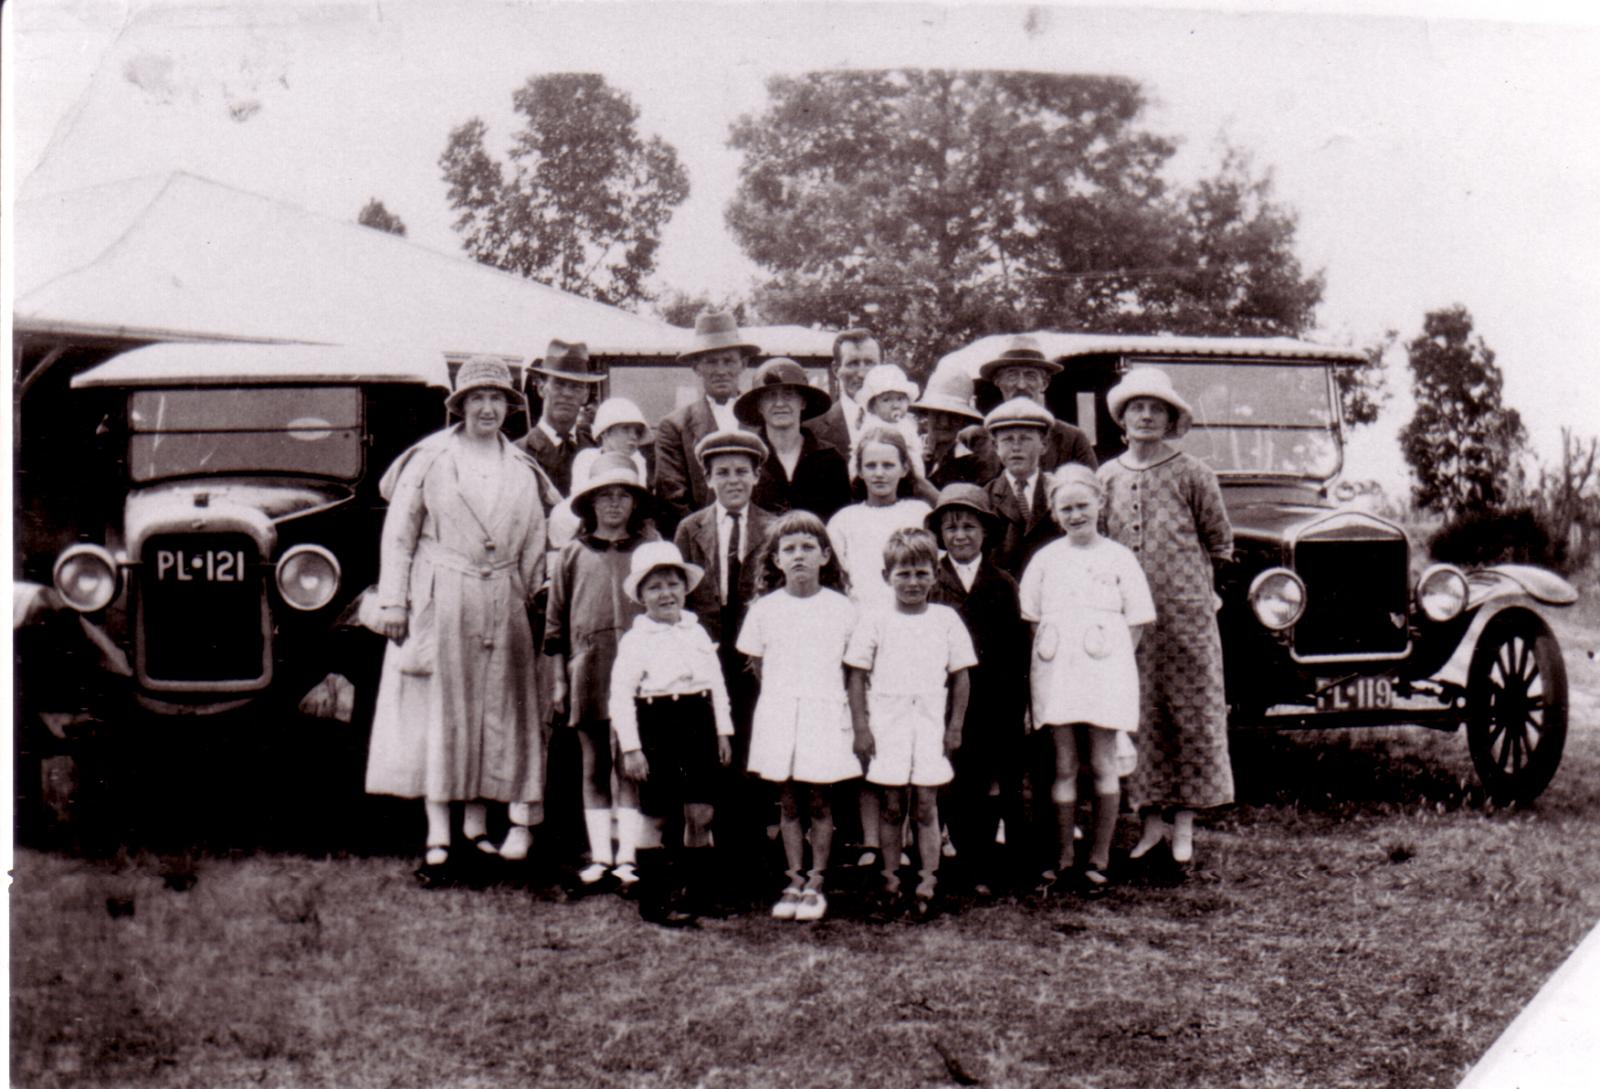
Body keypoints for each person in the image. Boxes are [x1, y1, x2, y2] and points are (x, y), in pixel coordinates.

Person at [363, 357, 550, 881]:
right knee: (443, 711)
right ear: (461, 405)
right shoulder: (430, 459)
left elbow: (535, 540)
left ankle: (477, 829)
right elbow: (399, 535)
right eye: (477, 399)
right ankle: (438, 835)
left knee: (496, 712)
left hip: (503, 598)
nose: (487, 408)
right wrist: (395, 601)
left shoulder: (520, 467)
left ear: (509, 408)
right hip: (442, 594)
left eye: (497, 399)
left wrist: (537, 597)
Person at [1098, 368, 1234, 866]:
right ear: (1123, 418)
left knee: (1187, 713)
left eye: (1157, 408)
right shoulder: (1107, 476)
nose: (1147, 416)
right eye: (1138, 408)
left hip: (1185, 617)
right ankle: (1149, 822)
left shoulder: (1194, 473)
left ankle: (1183, 826)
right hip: (1128, 620)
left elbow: (1219, 542)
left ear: (1171, 418)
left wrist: (1195, 591)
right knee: (1138, 713)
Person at [1019, 464, 1155, 887]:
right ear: (1055, 515)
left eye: (1083, 506)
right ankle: (1063, 857)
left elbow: (1137, 620)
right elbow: (1033, 619)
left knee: (1102, 760)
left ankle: (1099, 857)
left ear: (1100, 503)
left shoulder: (1118, 558)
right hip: (1057, 670)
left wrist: (1111, 656)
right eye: (1067, 509)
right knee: (1063, 763)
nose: (1076, 515)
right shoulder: (1045, 559)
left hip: (1105, 671)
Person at [735, 511, 861, 922]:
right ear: (775, 560)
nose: (799, 556)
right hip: (780, 712)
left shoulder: (842, 608)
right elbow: (757, 663)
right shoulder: (764, 609)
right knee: (788, 803)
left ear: (826, 556)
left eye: (808, 548)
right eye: (789, 549)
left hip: (824, 712)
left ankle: (818, 880)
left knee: (821, 802)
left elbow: (852, 667)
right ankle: (793, 876)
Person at [845, 527, 976, 913]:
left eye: (921, 573)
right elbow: (856, 674)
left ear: (935, 575)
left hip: (930, 721)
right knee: (891, 804)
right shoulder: (875, 619)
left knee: (925, 806)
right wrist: (862, 728)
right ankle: (889, 880)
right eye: (903, 574)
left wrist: (955, 727)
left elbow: (961, 676)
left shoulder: (946, 619)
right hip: (888, 721)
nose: (913, 582)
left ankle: (928, 882)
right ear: (887, 577)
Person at [544, 453, 658, 887]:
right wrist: (559, 679)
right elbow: (555, 625)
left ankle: (628, 855)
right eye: (604, 496)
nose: (613, 504)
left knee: (630, 761)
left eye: (622, 496)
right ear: (590, 504)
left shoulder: (647, 551)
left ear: (634, 503)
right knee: (593, 763)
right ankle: (600, 856)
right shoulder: (572, 554)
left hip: (637, 674)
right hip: (588, 670)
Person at [610, 541, 735, 926]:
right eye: (655, 587)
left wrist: (723, 732)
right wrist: (632, 749)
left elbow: (716, 686)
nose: (666, 594)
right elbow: (620, 698)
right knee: (657, 814)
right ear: (642, 595)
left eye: (673, 584)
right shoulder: (635, 641)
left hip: (698, 722)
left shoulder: (697, 633)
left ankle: (700, 893)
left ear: (685, 588)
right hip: (657, 724)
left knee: (701, 811)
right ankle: (655, 900)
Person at [673, 429, 778, 880]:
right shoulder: (690, 528)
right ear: (708, 479)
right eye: (722, 473)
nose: (732, 480)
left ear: (756, 476)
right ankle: (706, 856)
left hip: (755, 657)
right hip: (708, 654)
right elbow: (680, 595)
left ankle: (752, 851)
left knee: (754, 743)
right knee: (711, 747)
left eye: (741, 472)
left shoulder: (772, 527)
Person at [925, 484, 1030, 895]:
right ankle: (962, 862)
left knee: (998, 780)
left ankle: (998, 863)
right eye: (950, 528)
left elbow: (1019, 650)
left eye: (969, 526)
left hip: (998, 698)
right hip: (949, 699)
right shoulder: (931, 582)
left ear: (985, 532)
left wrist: (1020, 704)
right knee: (956, 778)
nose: (960, 536)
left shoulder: (1003, 584)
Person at [654, 311, 762, 534]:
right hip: (701, 544)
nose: (721, 370)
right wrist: (705, 541)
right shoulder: (675, 426)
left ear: (743, 364)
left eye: (728, 361)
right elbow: (672, 498)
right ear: (696, 367)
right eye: (711, 362)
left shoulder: (761, 419)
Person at [827, 428, 933, 613]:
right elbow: (836, 579)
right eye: (871, 465)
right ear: (859, 470)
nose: (879, 473)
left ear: (904, 469)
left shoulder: (920, 513)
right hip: (861, 615)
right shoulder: (844, 520)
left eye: (888, 465)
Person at [734, 357, 852, 522]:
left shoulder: (830, 459)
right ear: (759, 406)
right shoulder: (745, 459)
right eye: (771, 396)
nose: (780, 403)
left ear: (803, 402)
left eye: (788, 395)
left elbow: (842, 521)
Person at [976, 334, 1097, 478]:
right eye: (1012, 376)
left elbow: (1090, 490)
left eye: (1030, 376)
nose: (1021, 385)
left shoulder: (1071, 439)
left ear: (1045, 383)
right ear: (997, 381)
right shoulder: (979, 437)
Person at [549, 397, 654, 552]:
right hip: (587, 521)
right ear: (605, 432)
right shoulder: (586, 458)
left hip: (626, 522)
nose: (633, 437)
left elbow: (636, 501)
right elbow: (580, 498)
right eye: (625, 429)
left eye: (637, 432)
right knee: (561, 515)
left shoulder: (638, 461)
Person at [982, 398, 1064, 578]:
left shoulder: (1060, 493)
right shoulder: (985, 498)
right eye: (1008, 439)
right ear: (996, 446)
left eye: (1025, 438)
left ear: (1044, 445)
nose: (1016, 447)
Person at [519, 339, 605, 497]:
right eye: (559, 384)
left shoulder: (597, 450)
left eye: (576, 386)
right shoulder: (519, 453)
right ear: (541, 388)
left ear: (585, 395)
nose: (567, 393)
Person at [806, 327, 880, 457]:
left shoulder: (903, 423)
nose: (862, 373)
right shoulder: (811, 429)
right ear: (836, 370)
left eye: (869, 363)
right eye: (853, 363)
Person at [911, 367, 987, 490]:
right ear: (927, 413)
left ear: (963, 419)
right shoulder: (909, 452)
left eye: (953, 416)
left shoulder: (971, 464)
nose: (944, 423)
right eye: (938, 413)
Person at [851, 364, 926, 484]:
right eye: (887, 400)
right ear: (873, 406)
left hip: (909, 473)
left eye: (900, 399)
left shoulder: (907, 424)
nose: (895, 405)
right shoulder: (872, 427)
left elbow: (915, 446)